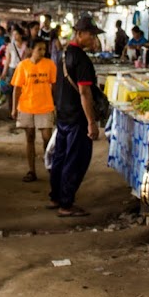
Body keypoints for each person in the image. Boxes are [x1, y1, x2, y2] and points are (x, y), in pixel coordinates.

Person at [49, 14, 104, 217]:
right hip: (77, 119)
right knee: (75, 159)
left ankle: (56, 196)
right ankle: (66, 204)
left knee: (60, 158)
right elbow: (84, 92)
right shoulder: (81, 59)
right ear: (79, 34)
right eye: (91, 35)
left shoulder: (65, 54)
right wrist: (91, 122)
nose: (93, 39)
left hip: (64, 114)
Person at [11, 38, 57, 182]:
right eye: (39, 49)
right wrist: (14, 109)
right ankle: (32, 171)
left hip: (45, 106)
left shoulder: (50, 65)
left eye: (44, 49)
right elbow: (17, 89)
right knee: (29, 138)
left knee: (47, 138)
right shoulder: (23, 66)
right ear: (31, 50)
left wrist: (56, 104)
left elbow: (55, 86)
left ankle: (50, 167)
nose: (43, 52)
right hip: (26, 106)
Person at [0, 29, 27, 106]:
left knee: (21, 89)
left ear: (21, 35)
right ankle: (11, 107)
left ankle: (19, 106)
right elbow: (7, 60)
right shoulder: (10, 46)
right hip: (12, 69)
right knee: (11, 90)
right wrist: (4, 73)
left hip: (22, 69)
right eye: (13, 35)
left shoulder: (25, 45)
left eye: (16, 34)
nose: (15, 36)